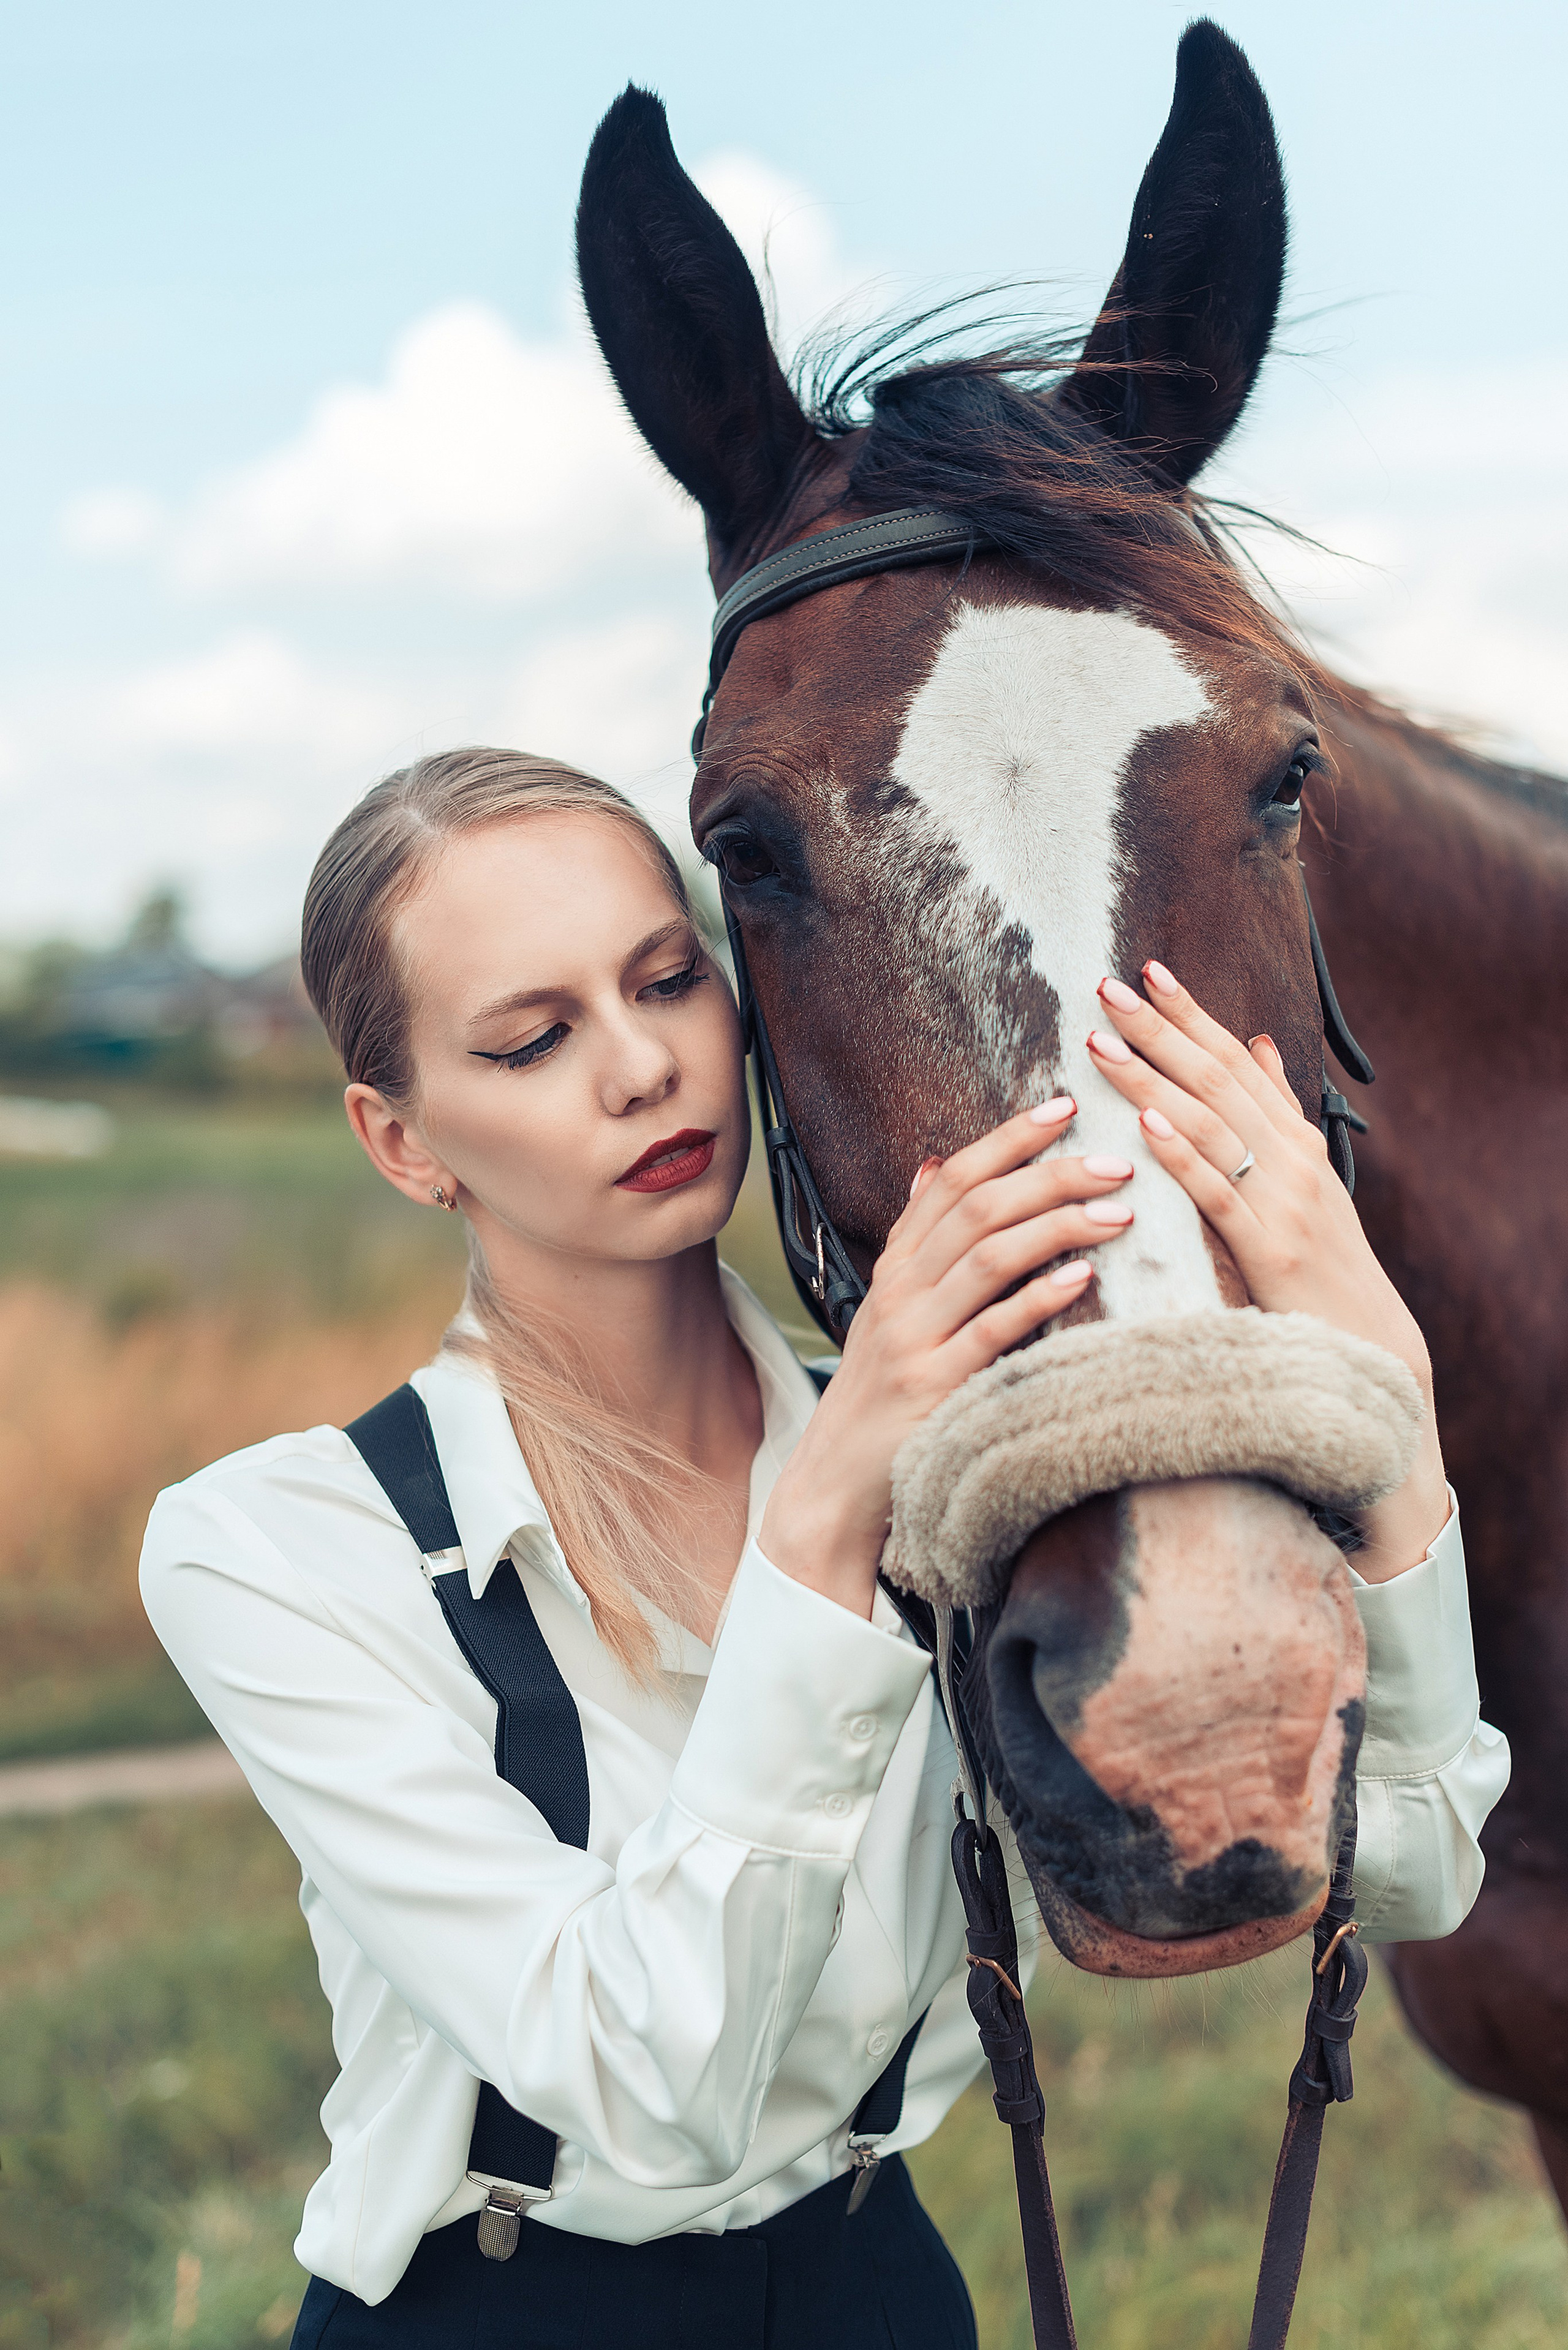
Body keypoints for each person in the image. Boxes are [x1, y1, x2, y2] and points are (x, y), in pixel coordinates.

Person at [140, 747, 1507, 2349]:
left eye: (672, 978)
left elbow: (1404, 1873)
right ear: (402, 1141)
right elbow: (651, 2083)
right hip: (496, 2310)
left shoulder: (960, 1468)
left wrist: (1385, 1410)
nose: (644, 1067)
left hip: (882, 2288)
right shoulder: (276, 1547)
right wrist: (837, 1493)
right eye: (531, 1039)